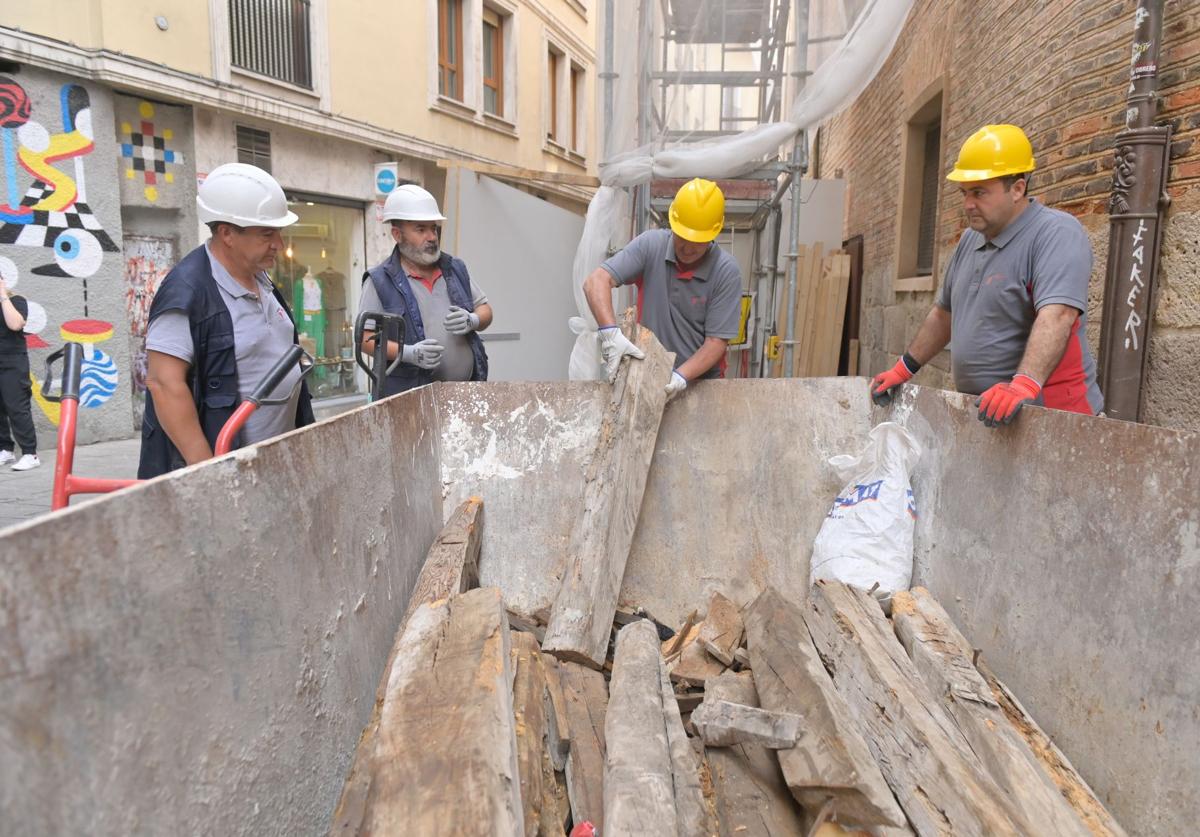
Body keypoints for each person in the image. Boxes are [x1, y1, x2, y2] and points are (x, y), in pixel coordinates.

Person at [870, 124, 1103, 427]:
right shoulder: (970, 239)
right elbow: (944, 315)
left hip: (1055, 419)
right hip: (991, 414)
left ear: (1018, 188)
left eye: (979, 192)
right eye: (965, 192)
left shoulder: (1055, 233)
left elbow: (1058, 315)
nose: (968, 204)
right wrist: (904, 369)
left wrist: (1022, 385)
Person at [138, 163, 314, 479]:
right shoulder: (187, 291)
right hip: (228, 470)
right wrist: (211, 474)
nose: (279, 244)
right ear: (227, 233)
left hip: (274, 463)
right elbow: (164, 383)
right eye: (267, 233)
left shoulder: (261, 278)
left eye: (279, 232)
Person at [581, 178, 742, 400]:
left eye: (697, 241)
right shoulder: (650, 246)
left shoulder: (726, 271)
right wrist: (610, 333)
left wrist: (679, 377)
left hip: (700, 384)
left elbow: (716, 343)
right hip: (647, 375)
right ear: (672, 223)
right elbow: (596, 281)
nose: (687, 248)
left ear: (714, 233)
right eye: (682, 237)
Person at [358, 184, 491, 396]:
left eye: (434, 228)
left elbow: (485, 310)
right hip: (411, 402)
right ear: (397, 234)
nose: (431, 237)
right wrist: (407, 353)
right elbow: (364, 339)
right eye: (421, 229)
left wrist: (472, 320)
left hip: (465, 394)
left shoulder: (454, 268)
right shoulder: (379, 281)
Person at [0, 274, 39, 471]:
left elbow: (15, 324)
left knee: (17, 408)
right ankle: (5, 450)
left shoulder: (16, 301)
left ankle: (30, 454)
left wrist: (2, 295)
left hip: (12, 363)